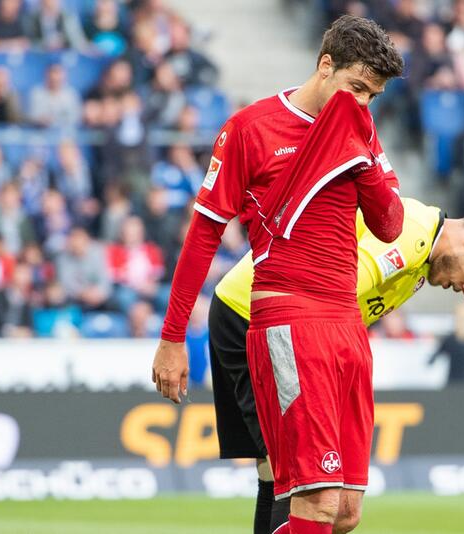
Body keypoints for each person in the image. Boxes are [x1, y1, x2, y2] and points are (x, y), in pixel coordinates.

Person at [152, 16, 405, 534]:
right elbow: (203, 237)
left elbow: (389, 225)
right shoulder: (250, 129)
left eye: (373, 96)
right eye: (356, 88)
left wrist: (363, 155)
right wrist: (173, 338)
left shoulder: (362, 129)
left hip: (346, 322)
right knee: (316, 501)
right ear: (325, 65)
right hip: (288, 319)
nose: (362, 102)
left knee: (347, 514)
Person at [209, 198, 464, 533]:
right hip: (256, 316)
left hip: (274, 319)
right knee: (295, 478)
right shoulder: (411, 234)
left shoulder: (421, 256)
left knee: (313, 493)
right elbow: (333, 292)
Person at [429, 302, 464, 385]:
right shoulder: (450, 339)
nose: (461, 322)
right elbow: (436, 355)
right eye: (459, 318)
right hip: (452, 382)